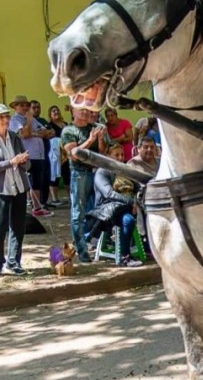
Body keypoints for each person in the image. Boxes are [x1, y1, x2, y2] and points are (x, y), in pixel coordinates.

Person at [0, 103, 32, 277]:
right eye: (1, 117)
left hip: (19, 187)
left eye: (7, 116)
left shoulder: (15, 138)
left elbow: (27, 163)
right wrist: (11, 162)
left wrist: (24, 161)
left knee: (18, 227)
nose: (6, 120)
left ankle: (14, 261)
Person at [62, 108, 109, 262]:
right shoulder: (69, 130)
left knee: (100, 209)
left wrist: (100, 138)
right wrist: (90, 139)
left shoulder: (93, 127)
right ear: (73, 112)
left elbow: (103, 152)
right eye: (81, 110)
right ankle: (82, 251)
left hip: (97, 173)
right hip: (79, 174)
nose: (85, 112)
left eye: (87, 110)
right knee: (78, 214)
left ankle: (96, 243)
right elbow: (74, 155)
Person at [88, 145, 142, 267]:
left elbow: (138, 188)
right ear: (108, 156)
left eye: (122, 155)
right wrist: (131, 202)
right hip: (109, 210)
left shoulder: (126, 170)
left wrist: (137, 201)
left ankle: (149, 248)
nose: (120, 158)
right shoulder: (102, 172)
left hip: (128, 207)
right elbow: (109, 194)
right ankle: (125, 257)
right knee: (128, 220)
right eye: (116, 155)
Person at [8, 95, 54, 217]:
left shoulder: (34, 120)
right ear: (15, 107)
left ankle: (37, 207)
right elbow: (24, 134)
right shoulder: (15, 120)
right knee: (30, 182)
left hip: (39, 155)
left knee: (37, 182)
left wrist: (33, 133)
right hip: (28, 155)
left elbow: (47, 133)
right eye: (21, 105)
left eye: (26, 105)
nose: (25, 107)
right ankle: (32, 206)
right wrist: (28, 121)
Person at [30, 100, 55, 209]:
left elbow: (52, 132)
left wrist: (44, 135)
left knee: (46, 178)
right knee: (37, 180)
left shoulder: (42, 120)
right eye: (34, 107)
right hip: (35, 156)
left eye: (38, 107)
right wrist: (43, 134)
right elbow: (29, 135)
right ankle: (37, 203)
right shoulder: (29, 122)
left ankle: (44, 201)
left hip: (46, 154)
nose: (37, 109)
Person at [46, 105, 70, 205]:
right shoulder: (49, 125)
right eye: (53, 111)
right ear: (50, 114)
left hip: (66, 152)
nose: (56, 112)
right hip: (56, 153)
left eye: (57, 110)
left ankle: (70, 197)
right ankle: (55, 199)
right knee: (55, 175)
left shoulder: (65, 124)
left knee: (67, 174)